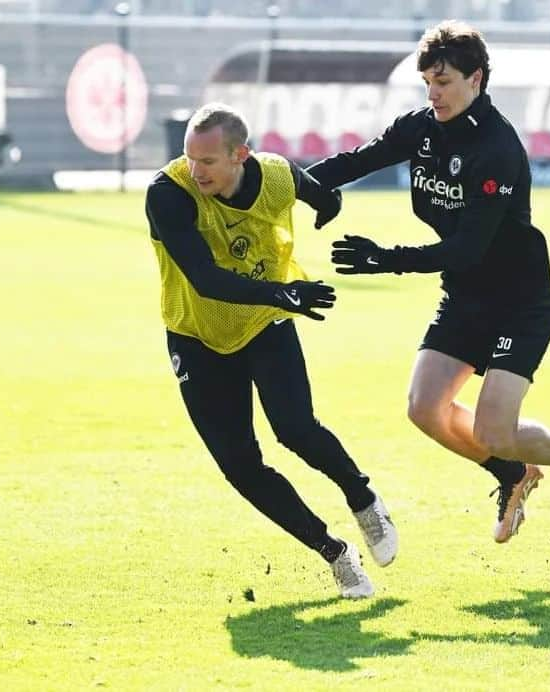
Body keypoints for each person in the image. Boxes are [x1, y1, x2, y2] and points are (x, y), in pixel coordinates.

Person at [307, 19, 550, 543]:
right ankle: (511, 473)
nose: (434, 93)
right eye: (428, 82)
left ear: (476, 79)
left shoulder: (496, 148)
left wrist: (385, 259)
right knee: (424, 408)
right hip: (465, 295)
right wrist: (287, 184)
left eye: (445, 81)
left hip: (518, 302)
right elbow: (359, 161)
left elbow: (468, 247)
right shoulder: (421, 127)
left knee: (493, 431)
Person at [145, 102, 398, 599]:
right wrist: (283, 292)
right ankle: (335, 554)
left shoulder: (277, 176)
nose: (196, 172)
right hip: (197, 334)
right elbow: (205, 278)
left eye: (209, 162)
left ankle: (364, 500)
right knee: (240, 464)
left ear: (241, 154)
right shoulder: (168, 194)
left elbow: (319, 194)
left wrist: (328, 209)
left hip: (264, 321)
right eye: (190, 159)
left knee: (296, 428)